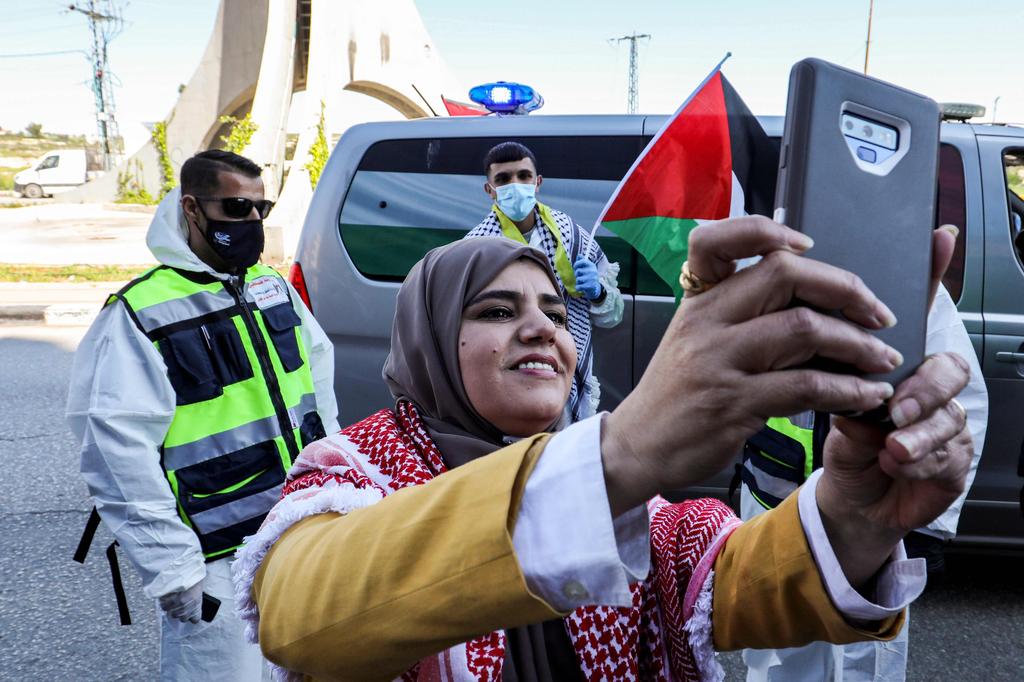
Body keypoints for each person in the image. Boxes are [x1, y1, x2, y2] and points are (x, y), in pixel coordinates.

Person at [233, 219, 974, 681]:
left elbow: (734, 582)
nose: (541, 330)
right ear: (427, 341)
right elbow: (298, 613)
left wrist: (856, 516)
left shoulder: (618, 498)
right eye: (497, 311)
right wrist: (617, 454)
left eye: (557, 315)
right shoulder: (353, 471)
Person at [67, 149, 339, 681]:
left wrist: (336, 492)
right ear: (192, 209)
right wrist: (172, 569)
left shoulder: (272, 288)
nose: (252, 221)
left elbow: (320, 398)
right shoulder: (141, 312)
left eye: (261, 208)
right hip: (216, 558)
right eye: (236, 208)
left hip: (298, 532)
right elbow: (116, 451)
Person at [737, 227, 989, 682]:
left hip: (866, 521)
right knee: (775, 650)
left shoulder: (899, 276)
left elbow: (961, 398)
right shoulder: (763, 269)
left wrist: (926, 529)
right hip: (771, 504)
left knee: (863, 657)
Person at [464, 141, 623, 420]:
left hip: (562, 367)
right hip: (505, 372)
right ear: (490, 190)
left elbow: (612, 316)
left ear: (537, 182)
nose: (515, 185)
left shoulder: (571, 236)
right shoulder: (475, 248)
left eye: (523, 176)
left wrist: (598, 293)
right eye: (503, 179)